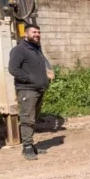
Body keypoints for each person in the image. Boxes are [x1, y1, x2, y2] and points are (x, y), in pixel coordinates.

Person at [8, 24, 53, 160]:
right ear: (25, 34)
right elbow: (13, 69)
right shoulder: (19, 50)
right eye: (34, 32)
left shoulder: (36, 49)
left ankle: (31, 144)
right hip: (27, 90)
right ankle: (27, 147)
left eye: (38, 32)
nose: (37, 34)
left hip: (38, 89)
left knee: (33, 118)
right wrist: (29, 80)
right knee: (27, 118)